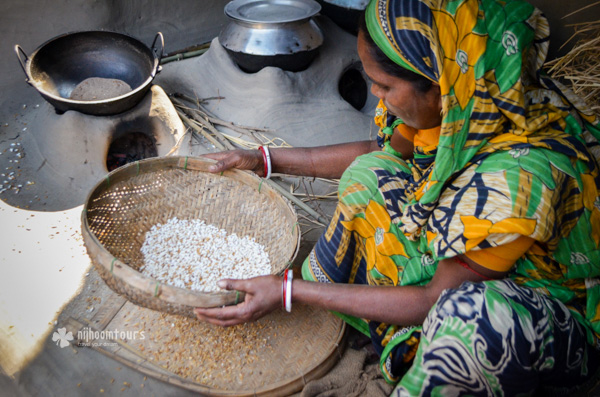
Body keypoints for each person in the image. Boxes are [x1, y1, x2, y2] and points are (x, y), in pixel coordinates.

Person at [194, 0, 600, 394]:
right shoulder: (458, 107)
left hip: (538, 308)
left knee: (470, 320)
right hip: (465, 262)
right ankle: (372, 314)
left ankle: (428, 361)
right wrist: (263, 158)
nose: (375, 92)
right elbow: (379, 152)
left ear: (441, 85)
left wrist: (287, 291)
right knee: (369, 176)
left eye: (386, 85)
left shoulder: (519, 180)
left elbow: (432, 297)